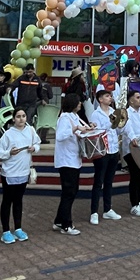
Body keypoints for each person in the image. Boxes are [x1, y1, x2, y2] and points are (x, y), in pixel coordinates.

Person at [0, 106, 40, 243]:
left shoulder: (30, 130)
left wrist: (34, 148)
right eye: (18, 116)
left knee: (18, 201)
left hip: (23, 171)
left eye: (23, 116)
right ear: (13, 119)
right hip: (10, 172)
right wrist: (9, 153)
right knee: (7, 201)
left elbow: (38, 143)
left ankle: (18, 228)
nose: (21, 119)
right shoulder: (8, 134)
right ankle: (6, 231)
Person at [53, 93, 91, 236]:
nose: (80, 103)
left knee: (71, 191)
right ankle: (66, 225)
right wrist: (75, 129)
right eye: (78, 102)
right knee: (69, 192)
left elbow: (79, 132)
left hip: (74, 158)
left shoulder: (75, 117)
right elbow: (60, 136)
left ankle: (59, 220)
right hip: (66, 161)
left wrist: (87, 129)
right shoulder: (64, 118)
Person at [88, 90, 122, 223]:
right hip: (102, 151)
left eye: (110, 96)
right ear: (100, 99)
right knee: (98, 182)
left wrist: (121, 124)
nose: (110, 98)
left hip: (114, 149)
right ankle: (94, 212)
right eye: (107, 96)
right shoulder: (96, 114)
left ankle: (108, 209)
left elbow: (117, 130)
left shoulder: (114, 111)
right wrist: (112, 122)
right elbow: (98, 131)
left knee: (109, 181)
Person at [122, 90, 140, 216]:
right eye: (138, 97)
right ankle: (134, 205)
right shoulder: (126, 113)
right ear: (131, 100)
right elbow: (127, 130)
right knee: (135, 176)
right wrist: (134, 139)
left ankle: (139, 201)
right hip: (131, 150)